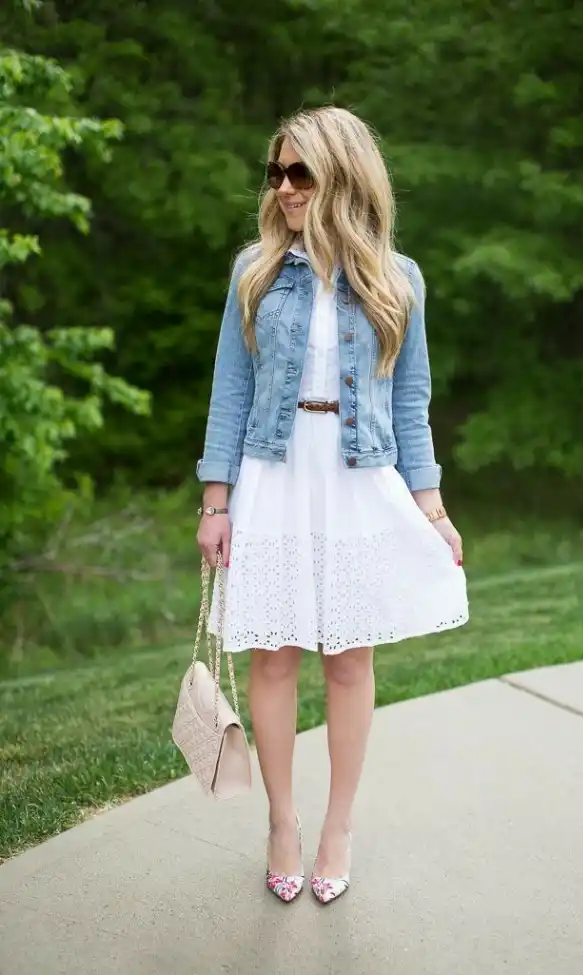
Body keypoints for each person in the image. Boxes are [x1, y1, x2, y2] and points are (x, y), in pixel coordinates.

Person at [196, 106, 469, 905]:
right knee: (273, 653)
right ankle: (282, 822)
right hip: (272, 476)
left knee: (349, 657)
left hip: (357, 477)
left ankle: (337, 827)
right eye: (276, 173)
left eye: (300, 173)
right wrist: (217, 502)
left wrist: (435, 508)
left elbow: (411, 400)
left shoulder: (398, 277)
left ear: (341, 175)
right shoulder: (255, 270)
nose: (283, 188)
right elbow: (230, 391)